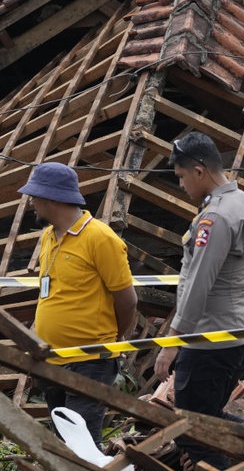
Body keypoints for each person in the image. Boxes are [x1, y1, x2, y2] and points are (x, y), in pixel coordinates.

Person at [154, 132, 244, 469]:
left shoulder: (214, 218)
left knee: (193, 430)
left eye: (182, 176)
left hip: (210, 340)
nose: (182, 185)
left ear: (199, 171)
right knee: (210, 420)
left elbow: (199, 285)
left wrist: (173, 341)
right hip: (235, 334)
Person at [19, 162, 138, 446]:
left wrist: (114, 340)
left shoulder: (100, 238)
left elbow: (127, 299)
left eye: (35, 197)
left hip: (89, 362)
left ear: (51, 198)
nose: (32, 203)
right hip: (54, 361)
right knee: (63, 444)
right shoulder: (48, 236)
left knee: (81, 445)